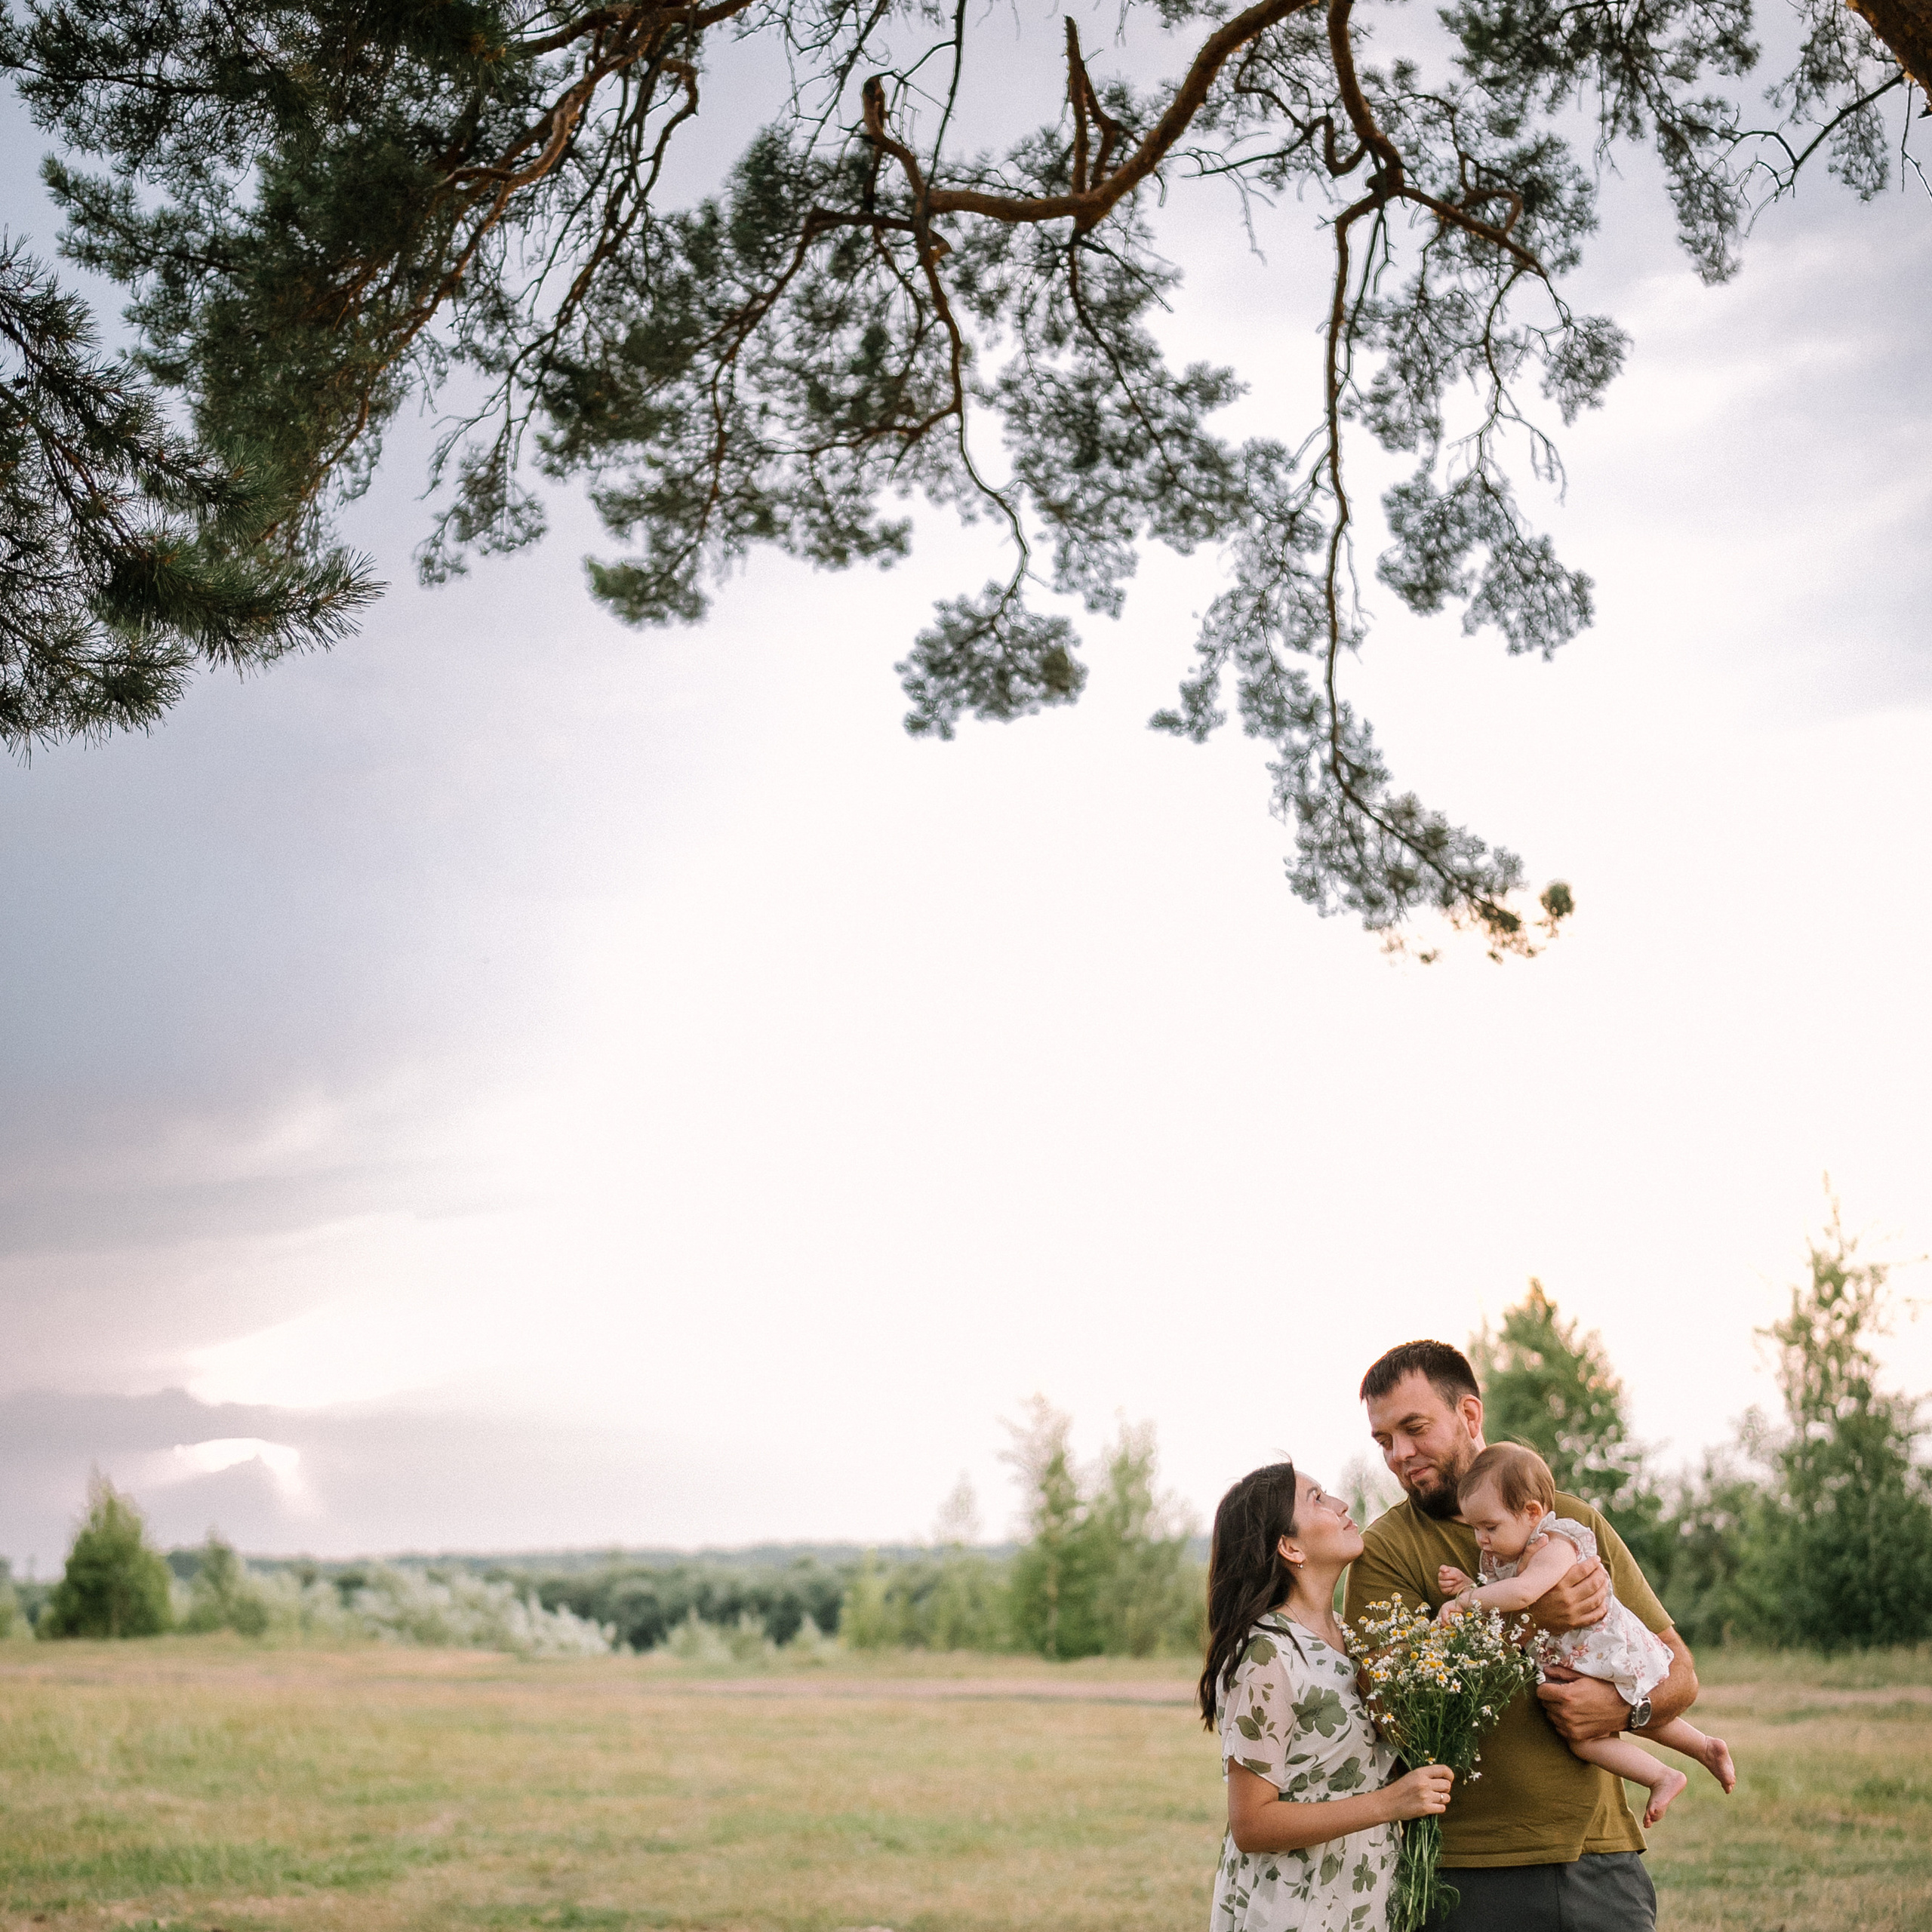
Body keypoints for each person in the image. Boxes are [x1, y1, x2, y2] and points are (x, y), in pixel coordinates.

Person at [1343, 1340, 1702, 1932]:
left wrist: (1622, 1708)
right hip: (1468, 1870)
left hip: (1600, 1859)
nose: (1399, 1454)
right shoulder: (1385, 1551)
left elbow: (1681, 1675)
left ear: (1470, 1416)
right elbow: (1392, 1712)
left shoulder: (1570, 1521)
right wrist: (1532, 1620)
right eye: (1384, 1441)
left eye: (1414, 1428)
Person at [1201, 1460, 1456, 1931]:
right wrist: (1390, 1804)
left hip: (1363, 1896)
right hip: (1295, 1906)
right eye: (1317, 1498)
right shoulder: (1265, 1652)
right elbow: (1252, 1824)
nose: (1340, 1505)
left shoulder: (1353, 1638)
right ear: (1289, 1545)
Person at [1435, 1443, 1736, 1827]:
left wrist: (1467, 1601)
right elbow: (1505, 1598)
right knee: (1587, 1736)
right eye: (1475, 1528)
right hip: (1579, 1659)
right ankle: (1692, 1756)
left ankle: (1680, 1764)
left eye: (1489, 1527)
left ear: (1531, 1513)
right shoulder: (1508, 1552)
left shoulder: (1557, 1541)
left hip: (1603, 1647)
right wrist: (1469, 1584)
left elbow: (1525, 1593)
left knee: (1624, 1707)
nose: (1480, 1539)